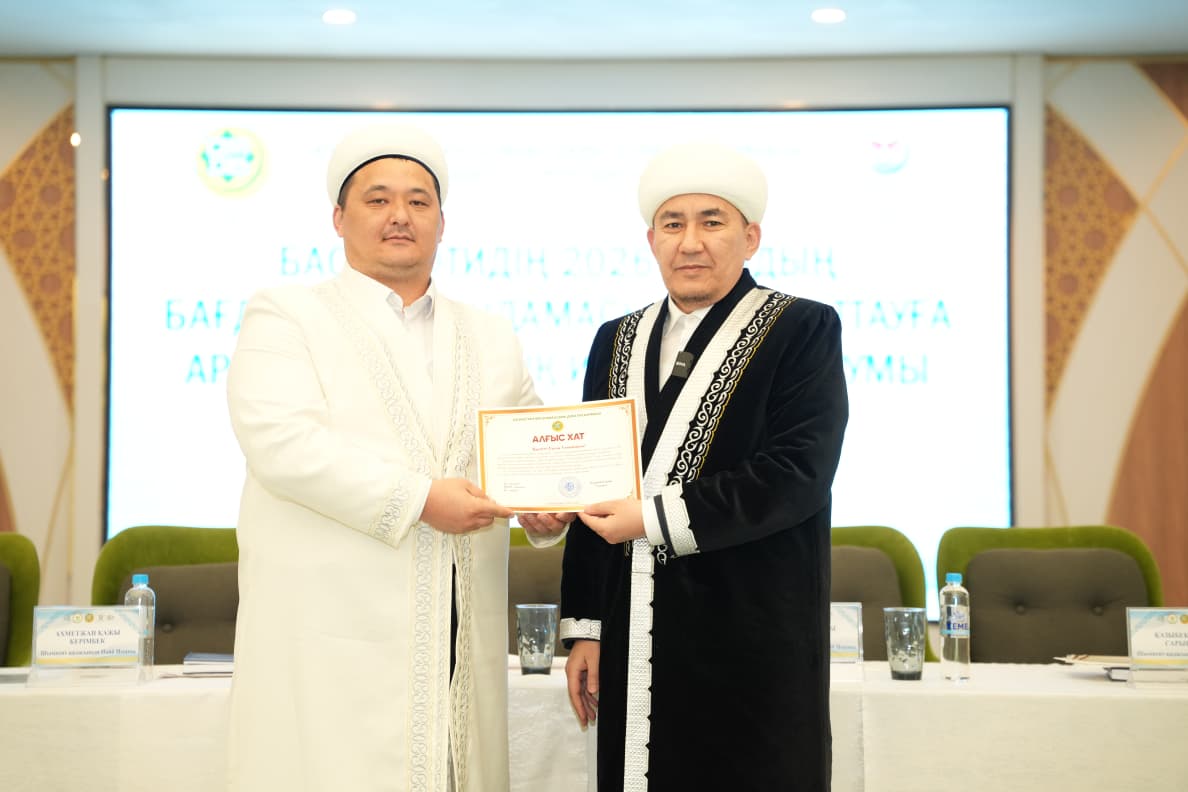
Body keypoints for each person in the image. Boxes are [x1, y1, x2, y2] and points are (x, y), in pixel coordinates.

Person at [225, 124, 559, 792]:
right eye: (377, 200)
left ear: (442, 222)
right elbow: (281, 443)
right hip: (329, 640)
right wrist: (422, 500)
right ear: (339, 218)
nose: (399, 215)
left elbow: (528, 447)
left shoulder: (491, 333)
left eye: (418, 201)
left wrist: (547, 506)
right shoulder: (287, 315)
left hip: (459, 639)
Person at [548, 142, 848, 791]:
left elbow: (797, 474)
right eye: (673, 224)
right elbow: (595, 483)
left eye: (712, 222)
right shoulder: (615, 338)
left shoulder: (802, 329)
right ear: (651, 239)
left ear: (750, 237)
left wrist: (649, 518)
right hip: (632, 634)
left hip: (753, 636)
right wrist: (586, 629)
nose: (690, 242)